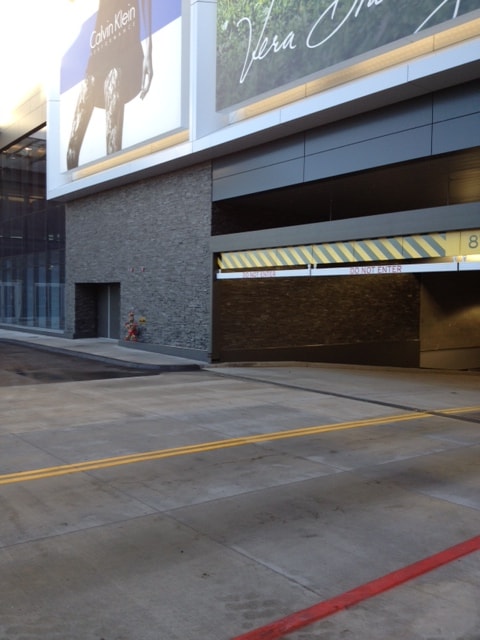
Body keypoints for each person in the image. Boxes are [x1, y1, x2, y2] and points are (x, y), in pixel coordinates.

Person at [66, 0, 153, 169]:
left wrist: (149, 50)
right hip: (101, 40)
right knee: (72, 146)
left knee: (112, 145)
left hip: (124, 41)